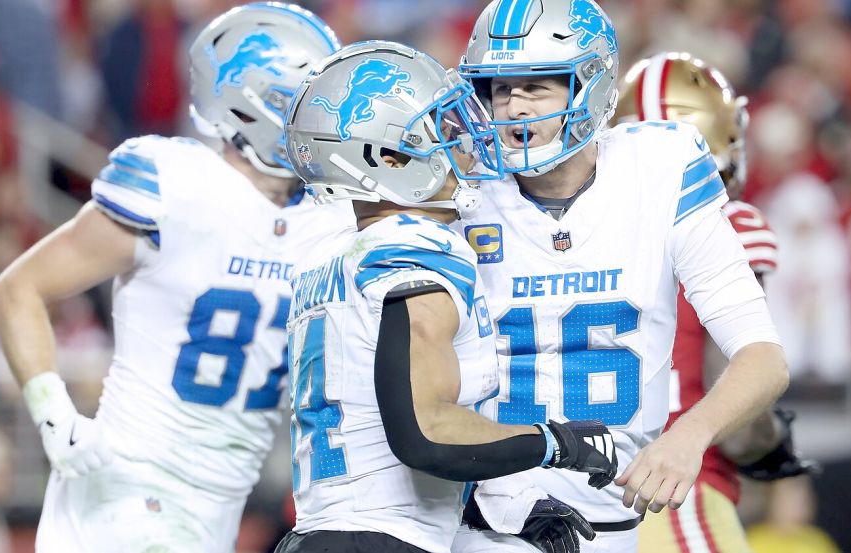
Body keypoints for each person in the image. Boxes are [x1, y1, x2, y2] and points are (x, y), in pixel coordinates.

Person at [0, 4, 353, 551]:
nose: (324, 121)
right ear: (252, 101)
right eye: (304, 104)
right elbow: (17, 289)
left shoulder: (330, 219)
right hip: (124, 487)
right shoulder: (176, 185)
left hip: (222, 503)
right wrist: (53, 416)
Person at [452, 1, 790, 551]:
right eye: (498, 87)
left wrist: (690, 435)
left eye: (536, 86)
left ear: (590, 85)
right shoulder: (456, 193)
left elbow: (763, 356)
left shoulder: (661, 168)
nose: (512, 106)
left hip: (617, 517)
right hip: (484, 522)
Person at [276, 40, 618, 553]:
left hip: (321, 535)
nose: (464, 142)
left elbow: (375, 439)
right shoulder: (418, 249)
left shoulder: (331, 258)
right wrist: (555, 443)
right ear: (390, 157)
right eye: (442, 129)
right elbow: (424, 431)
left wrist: (506, 505)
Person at [615, 51, 819, 553]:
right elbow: (736, 416)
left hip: (565, 496)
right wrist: (769, 439)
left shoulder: (571, 230)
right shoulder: (729, 225)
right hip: (674, 489)